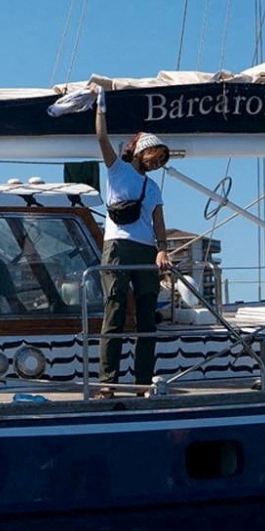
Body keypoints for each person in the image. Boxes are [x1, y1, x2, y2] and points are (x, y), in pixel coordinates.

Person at [94, 96, 172, 397]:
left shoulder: (153, 187)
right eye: (154, 155)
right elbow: (101, 137)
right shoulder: (117, 170)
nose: (157, 162)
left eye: (161, 159)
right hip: (117, 246)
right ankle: (108, 382)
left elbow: (159, 220)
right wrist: (100, 109)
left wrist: (162, 249)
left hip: (146, 249)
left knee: (146, 318)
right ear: (140, 151)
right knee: (114, 312)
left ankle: (142, 382)